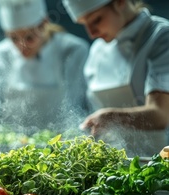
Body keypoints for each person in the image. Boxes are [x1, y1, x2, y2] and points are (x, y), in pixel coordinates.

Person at [63, 0, 169, 157]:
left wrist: (110, 117)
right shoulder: (97, 51)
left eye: (97, 20)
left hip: (158, 164)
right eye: (84, 24)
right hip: (114, 163)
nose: (91, 33)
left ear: (121, 2)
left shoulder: (160, 36)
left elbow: (161, 115)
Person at [0, 0, 89, 133]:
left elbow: (79, 105)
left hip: (63, 143)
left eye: (29, 37)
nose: (21, 46)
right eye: (13, 39)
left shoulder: (72, 50)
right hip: (11, 147)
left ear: (44, 24)